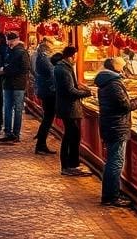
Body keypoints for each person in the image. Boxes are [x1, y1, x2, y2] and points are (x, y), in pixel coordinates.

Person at [95, 56, 137, 207]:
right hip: (117, 126)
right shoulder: (114, 84)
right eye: (122, 65)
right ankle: (111, 196)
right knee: (115, 162)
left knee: (112, 161)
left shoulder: (106, 81)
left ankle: (111, 192)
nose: (124, 68)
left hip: (111, 125)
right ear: (116, 67)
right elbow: (125, 106)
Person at [54, 46, 92, 176]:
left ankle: (73, 164)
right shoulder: (63, 69)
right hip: (68, 108)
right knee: (70, 136)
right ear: (72, 55)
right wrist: (87, 93)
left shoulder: (64, 67)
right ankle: (67, 166)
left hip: (69, 107)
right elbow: (70, 91)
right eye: (76, 55)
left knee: (73, 136)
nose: (77, 58)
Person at [0, 31, 30, 143]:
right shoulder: (9, 51)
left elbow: (25, 68)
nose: (9, 42)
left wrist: (6, 70)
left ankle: (15, 134)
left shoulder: (21, 52)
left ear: (17, 40)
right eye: (8, 40)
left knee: (17, 109)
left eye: (11, 40)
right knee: (7, 108)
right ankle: (8, 132)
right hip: (8, 84)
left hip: (18, 85)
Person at [32, 36, 57, 155]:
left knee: (47, 118)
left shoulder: (41, 58)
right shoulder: (45, 60)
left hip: (45, 90)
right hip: (49, 92)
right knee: (48, 118)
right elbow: (52, 74)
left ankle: (41, 142)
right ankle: (41, 144)